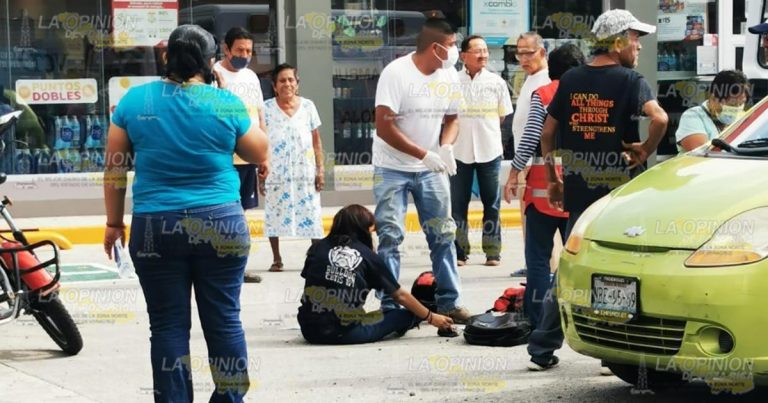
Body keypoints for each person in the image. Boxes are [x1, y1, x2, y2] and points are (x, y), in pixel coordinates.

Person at [103, 25, 269, 401]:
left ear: (167, 58)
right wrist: (226, 98)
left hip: (155, 226)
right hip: (221, 222)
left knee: (167, 326)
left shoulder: (135, 101)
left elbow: (114, 168)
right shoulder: (223, 102)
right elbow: (259, 151)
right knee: (224, 319)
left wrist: (113, 223)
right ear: (210, 62)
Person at [529, 9, 669, 371]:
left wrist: (554, 179)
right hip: (621, 195)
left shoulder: (571, 78)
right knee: (623, 270)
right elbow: (660, 118)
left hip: (579, 189)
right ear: (618, 42)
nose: (639, 46)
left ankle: (542, 348)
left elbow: (547, 133)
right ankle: (613, 350)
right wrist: (644, 151)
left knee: (570, 268)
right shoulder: (631, 80)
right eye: (635, 38)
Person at [373, 18, 471, 330]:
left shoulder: (449, 76)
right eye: (452, 45)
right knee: (390, 236)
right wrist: (424, 154)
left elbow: (452, 118)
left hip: (431, 169)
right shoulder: (396, 73)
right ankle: (390, 305)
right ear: (435, 48)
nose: (455, 51)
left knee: (443, 234)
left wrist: (446, 146)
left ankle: (449, 301)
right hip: (392, 167)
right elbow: (384, 126)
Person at [503, 44, 585, 330]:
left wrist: (514, 172)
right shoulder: (589, 95)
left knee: (538, 258)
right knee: (576, 258)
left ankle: (538, 320)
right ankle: (575, 319)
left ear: (551, 69)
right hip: (580, 185)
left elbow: (531, 137)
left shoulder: (544, 94)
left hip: (542, 189)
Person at [298, 204, 455, 344]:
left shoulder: (317, 248)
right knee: (404, 314)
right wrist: (431, 317)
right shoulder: (368, 256)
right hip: (345, 333)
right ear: (364, 230)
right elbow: (400, 296)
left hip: (309, 331)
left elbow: (312, 281)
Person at [451, 34, 513, 267]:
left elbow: (502, 115)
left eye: (485, 50)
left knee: (492, 204)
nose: (483, 55)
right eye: (477, 50)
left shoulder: (496, 82)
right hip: (460, 151)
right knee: (458, 206)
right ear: (463, 55)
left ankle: (492, 253)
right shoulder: (453, 81)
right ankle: (460, 253)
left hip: (489, 150)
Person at [213, 26, 269, 284]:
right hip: (223, 157)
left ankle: (236, 266)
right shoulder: (213, 74)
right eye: (239, 50)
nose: (245, 56)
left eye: (248, 51)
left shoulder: (251, 77)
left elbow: (260, 117)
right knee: (222, 211)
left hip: (248, 158)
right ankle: (218, 265)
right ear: (226, 49)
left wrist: (264, 156)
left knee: (241, 213)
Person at [262, 63, 325, 272]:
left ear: (297, 84)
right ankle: (277, 258)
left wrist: (320, 170)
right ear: (274, 86)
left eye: (291, 80)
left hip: (304, 172)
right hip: (276, 172)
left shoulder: (308, 106)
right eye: (282, 80)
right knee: (274, 213)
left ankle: (316, 258)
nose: (287, 84)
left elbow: (316, 142)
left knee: (312, 213)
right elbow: (261, 141)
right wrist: (260, 172)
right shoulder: (266, 109)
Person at [509, 32, 551, 277]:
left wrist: (521, 164)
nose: (523, 59)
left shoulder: (545, 81)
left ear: (542, 52)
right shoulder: (530, 79)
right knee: (527, 216)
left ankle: (541, 268)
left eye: (528, 53)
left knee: (538, 219)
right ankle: (532, 265)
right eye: (520, 54)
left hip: (533, 162)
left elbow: (536, 130)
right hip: (525, 159)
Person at [676, 70, 748, 152]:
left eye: (741, 104)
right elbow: (703, 153)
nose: (737, 109)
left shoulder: (744, 117)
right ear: (713, 98)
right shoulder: (693, 116)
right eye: (732, 105)